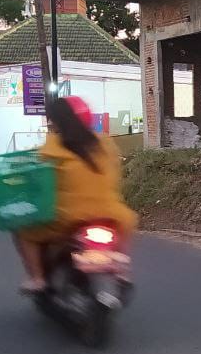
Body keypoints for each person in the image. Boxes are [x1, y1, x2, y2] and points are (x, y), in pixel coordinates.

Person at [14, 96, 137, 292]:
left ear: (55, 121)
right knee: (124, 226)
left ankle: (37, 279)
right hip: (113, 214)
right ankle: (121, 271)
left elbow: (36, 177)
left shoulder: (52, 147)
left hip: (70, 217)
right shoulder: (104, 143)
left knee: (23, 230)